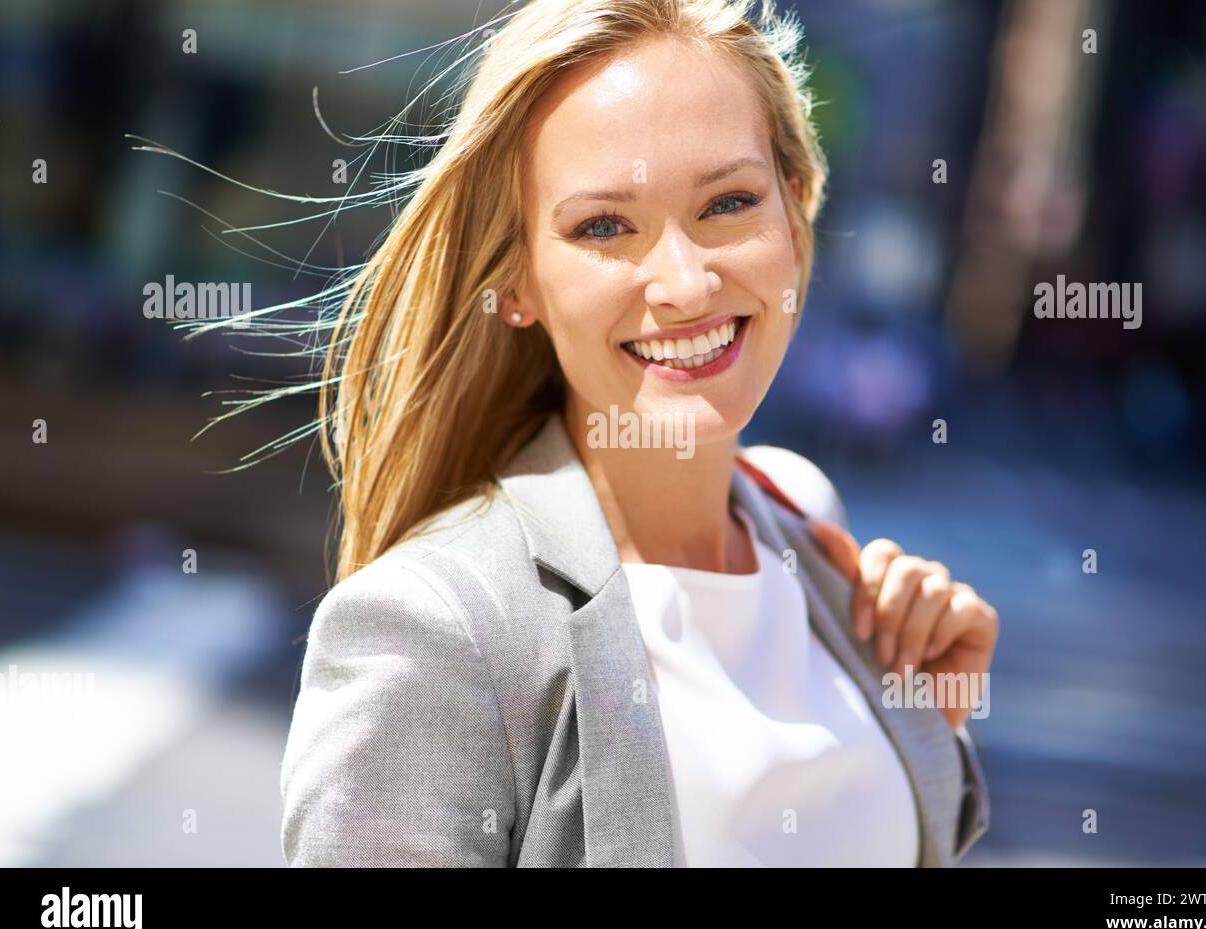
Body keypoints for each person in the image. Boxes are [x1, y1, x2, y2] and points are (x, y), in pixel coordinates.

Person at [279, 0, 998, 867]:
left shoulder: (805, 514)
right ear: (516, 283)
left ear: (795, 217)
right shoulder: (431, 626)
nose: (686, 284)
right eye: (604, 226)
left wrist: (923, 711)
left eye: (730, 202)